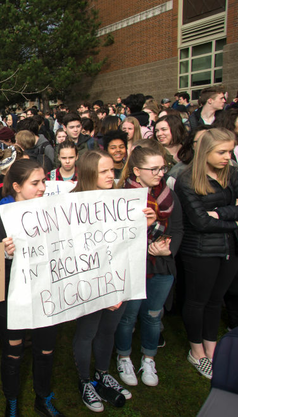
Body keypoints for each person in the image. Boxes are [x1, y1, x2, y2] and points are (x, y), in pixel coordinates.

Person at [69, 149, 156, 413]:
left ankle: (102, 373)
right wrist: (99, 290)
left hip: (118, 281)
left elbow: (126, 242)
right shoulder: (71, 204)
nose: (111, 175)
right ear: (88, 173)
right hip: (89, 283)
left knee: (108, 330)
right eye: (104, 171)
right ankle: (85, 381)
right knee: (87, 332)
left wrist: (146, 224)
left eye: (112, 170)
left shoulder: (121, 200)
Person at [0, 159, 63, 417]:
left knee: (46, 349)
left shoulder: (53, 210)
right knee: (13, 351)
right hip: (11, 298)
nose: (42, 187)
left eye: (43, 182)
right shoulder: (2, 218)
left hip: (46, 293)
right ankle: (12, 401)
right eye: (35, 183)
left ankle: (43, 397)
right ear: (16, 186)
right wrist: (4, 254)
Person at [114, 146, 184, 387]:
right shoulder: (120, 197)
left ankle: (148, 357)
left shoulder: (168, 195)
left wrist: (169, 248)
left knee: (153, 315)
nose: (160, 173)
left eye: (162, 167)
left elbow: (178, 228)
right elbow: (116, 237)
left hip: (160, 265)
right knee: (128, 316)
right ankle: (123, 356)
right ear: (136, 170)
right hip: (133, 266)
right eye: (153, 169)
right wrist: (145, 229)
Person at [175, 128, 237, 380]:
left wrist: (221, 214)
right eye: (221, 152)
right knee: (198, 301)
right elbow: (200, 222)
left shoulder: (232, 173)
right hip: (198, 251)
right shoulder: (187, 180)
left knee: (215, 300)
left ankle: (212, 350)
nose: (227, 157)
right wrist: (234, 217)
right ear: (205, 151)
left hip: (228, 248)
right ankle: (196, 352)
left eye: (230, 151)